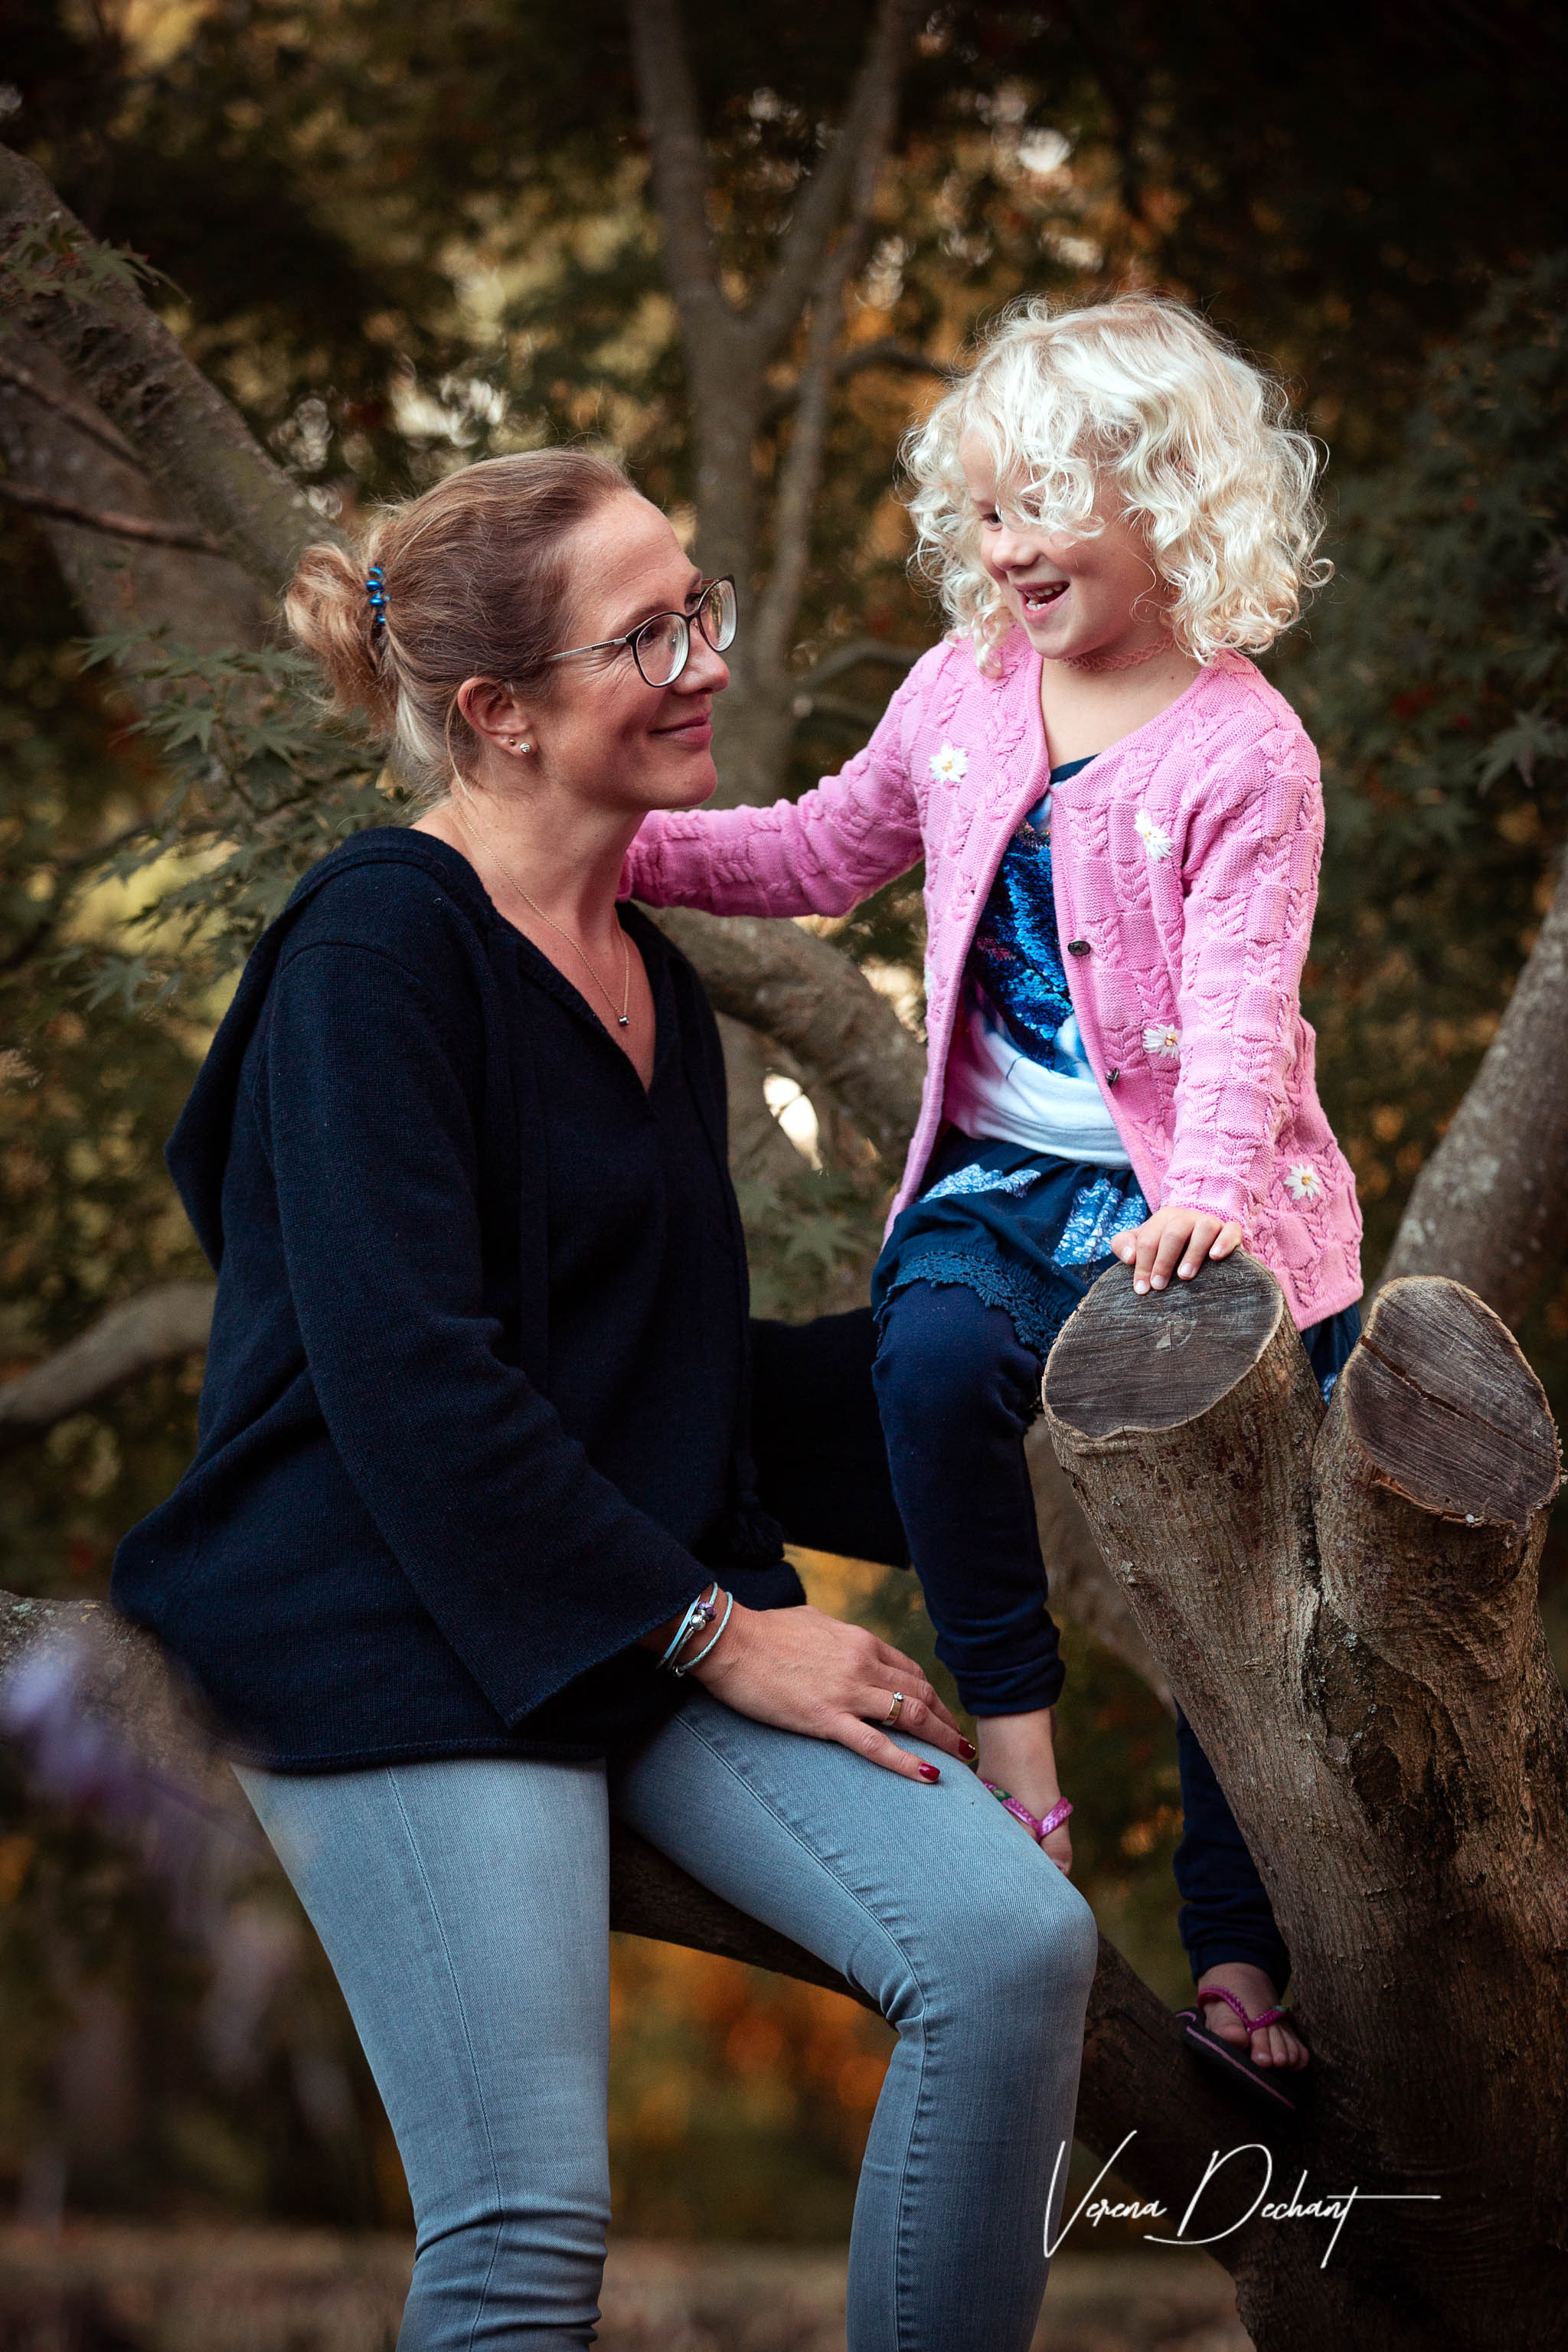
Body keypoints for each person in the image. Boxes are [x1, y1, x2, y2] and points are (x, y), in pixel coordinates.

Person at [110, 448, 1099, 2352]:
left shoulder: (643, 968)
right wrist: (724, 1633)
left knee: (1008, 1949)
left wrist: (1022, 1340)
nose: (704, 658)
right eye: (648, 633)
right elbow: (414, 1380)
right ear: (499, 712)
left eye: (695, 605)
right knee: (525, 2221)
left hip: (617, 1609)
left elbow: (666, 1378)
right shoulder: (376, 949)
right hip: (387, 1615)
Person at [619, 294, 1364, 2108]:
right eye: (988, 512)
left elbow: (1246, 1003)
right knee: (932, 1362)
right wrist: (614, 842)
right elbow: (818, 848)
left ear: (1166, 503)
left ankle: (1238, 1953)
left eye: (1048, 505)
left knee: (1240, 1599)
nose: (1009, 545)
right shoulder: (962, 689)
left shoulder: (1244, 752)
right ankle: (1019, 1768)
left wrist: (1206, 1200)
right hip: (1004, 1185)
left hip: (1204, 1207)